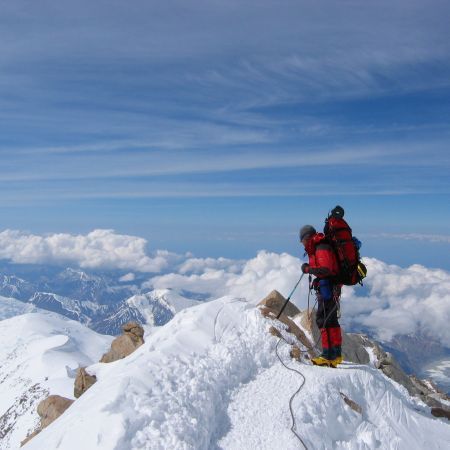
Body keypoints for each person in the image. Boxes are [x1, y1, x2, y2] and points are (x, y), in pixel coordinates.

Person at [299, 224, 343, 367]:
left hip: (328, 288)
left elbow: (325, 269)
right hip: (330, 287)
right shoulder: (318, 246)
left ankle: (327, 355)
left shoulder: (321, 247)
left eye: (302, 241)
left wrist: (308, 269)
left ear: (307, 238)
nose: (302, 244)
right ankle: (336, 355)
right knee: (331, 320)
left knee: (323, 320)